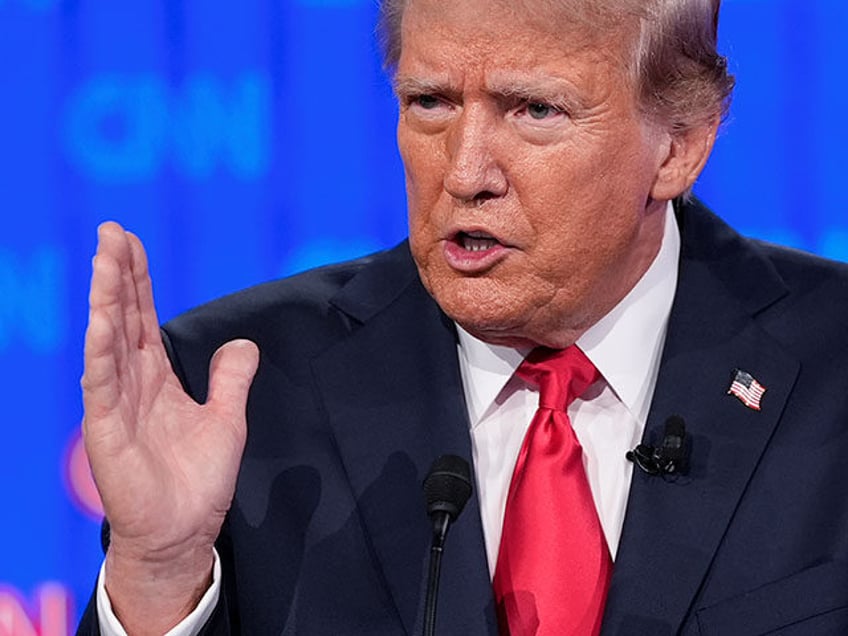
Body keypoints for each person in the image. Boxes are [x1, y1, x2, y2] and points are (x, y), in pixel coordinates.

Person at [77, 0, 848, 634]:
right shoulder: (237, 393)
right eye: (430, 103)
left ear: (679, 145)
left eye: (535, 109)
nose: (465, 171)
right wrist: (157, 576)